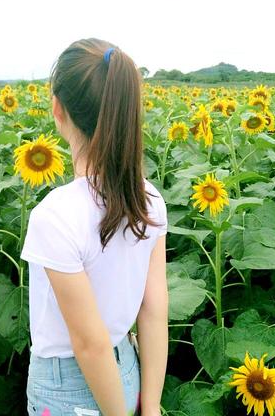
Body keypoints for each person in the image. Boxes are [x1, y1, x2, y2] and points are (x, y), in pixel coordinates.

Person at [20, 38, 168, 416]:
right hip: (129, 371)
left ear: (57, 109)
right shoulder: (149, 199)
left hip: (67, 388)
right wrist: (150, 405)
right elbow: (153, 310)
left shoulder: (54, 216)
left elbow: (89, 344)